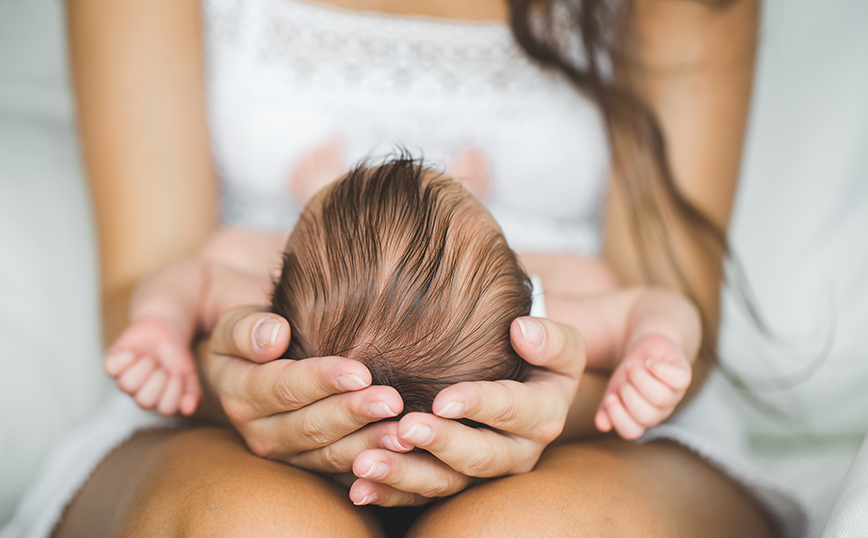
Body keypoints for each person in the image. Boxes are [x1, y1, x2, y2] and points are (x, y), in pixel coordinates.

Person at [7, 0, 799, 536]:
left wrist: (600, 394)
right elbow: (651, 314)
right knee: (246, 523)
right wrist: (207, 376)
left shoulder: (247, 270)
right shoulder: (557, 298)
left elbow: (667, 314)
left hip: (583, 426)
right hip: (233, 416)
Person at [105, 157, 699, 436]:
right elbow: (653, 302)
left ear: (277, 278)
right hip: (507, 275)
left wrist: (161, 324)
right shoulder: (533, 325)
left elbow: (195, 276)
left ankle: (313, 189)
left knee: (226, 243)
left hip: (327, 258)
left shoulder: (273, 322)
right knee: (596, 278)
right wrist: (656, 344)